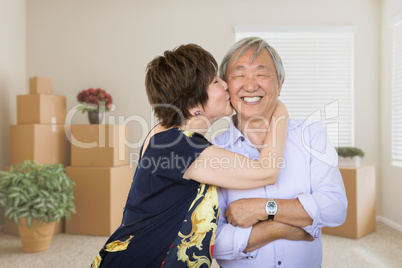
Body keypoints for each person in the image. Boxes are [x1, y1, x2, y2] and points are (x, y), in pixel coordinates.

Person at [90, 43, 289, 268]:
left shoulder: (164, 134)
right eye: (215, 81)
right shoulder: (180, 147)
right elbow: (267, 172)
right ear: (194, 103)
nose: (225, 84)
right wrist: (279, 110)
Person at [212, 37, 348, 268]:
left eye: (261, 74)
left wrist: (263, 208)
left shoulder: (310, 135)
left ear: (280, 84)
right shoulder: (214, 151)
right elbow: (212, 241)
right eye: (239, 75)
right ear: (226, 87)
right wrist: (277, 228)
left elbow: (335, 208)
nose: (251, 85)